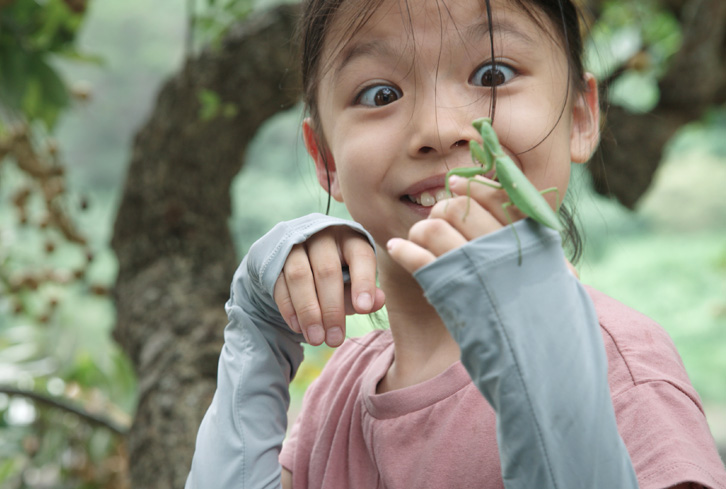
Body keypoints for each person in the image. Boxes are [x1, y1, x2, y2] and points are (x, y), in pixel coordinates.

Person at [186, 0, 726, 487]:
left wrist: (544, 356)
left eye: (494, 73)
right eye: (380, 94)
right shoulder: (340, 389)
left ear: (581, 116)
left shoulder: (626, 372)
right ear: (326, 160)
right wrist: (256, 333)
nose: (440, 128)